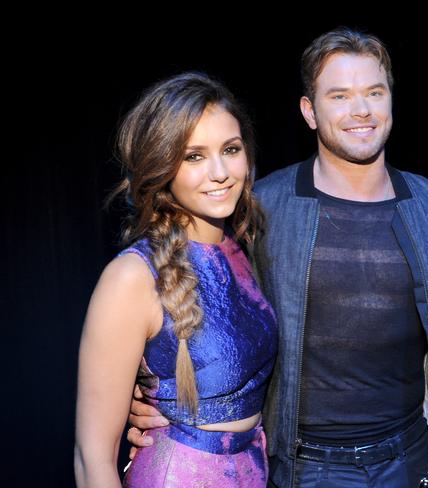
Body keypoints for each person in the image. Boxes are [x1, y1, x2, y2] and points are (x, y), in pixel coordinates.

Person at [126, 31, 428, 488]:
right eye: (339, 96)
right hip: (305, 466)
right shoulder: (262, 208)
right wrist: (152, 396)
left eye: (374, 93)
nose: (361, 110)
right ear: (309, 111)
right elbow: (195, 301)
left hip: (412, 457)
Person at [74, 72, 278, 487]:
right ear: (162, 165)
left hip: (252, 472)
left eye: (231, 149)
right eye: (194, 156)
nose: (220, 172)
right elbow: (91, 456)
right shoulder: (131, 276)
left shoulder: (241, 247)